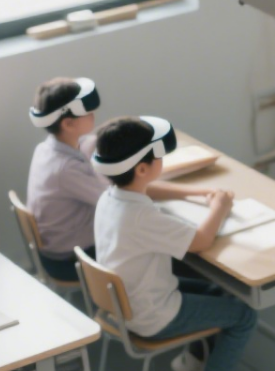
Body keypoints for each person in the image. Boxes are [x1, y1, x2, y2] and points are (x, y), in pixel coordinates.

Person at [92, 116, 257, 371]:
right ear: (142, 169)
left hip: (125, 304)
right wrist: (219, 207)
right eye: (158, 155)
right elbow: (201, 240)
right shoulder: (141, 217)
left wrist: (198, 193)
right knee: (244, 314)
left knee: (216, 291)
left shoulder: (110, 197)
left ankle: (192, 362)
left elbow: (150, 191)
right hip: (155, 315)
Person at [25, 78, 213, 284]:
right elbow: (124, 191)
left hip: (57, 244)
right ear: (68, 123)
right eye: (87, 112)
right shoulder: (66, 169)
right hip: (70, 256)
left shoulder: (48, 149)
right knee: (173, 251)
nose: (93, 114)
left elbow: (93, 147)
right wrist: (192, 193)